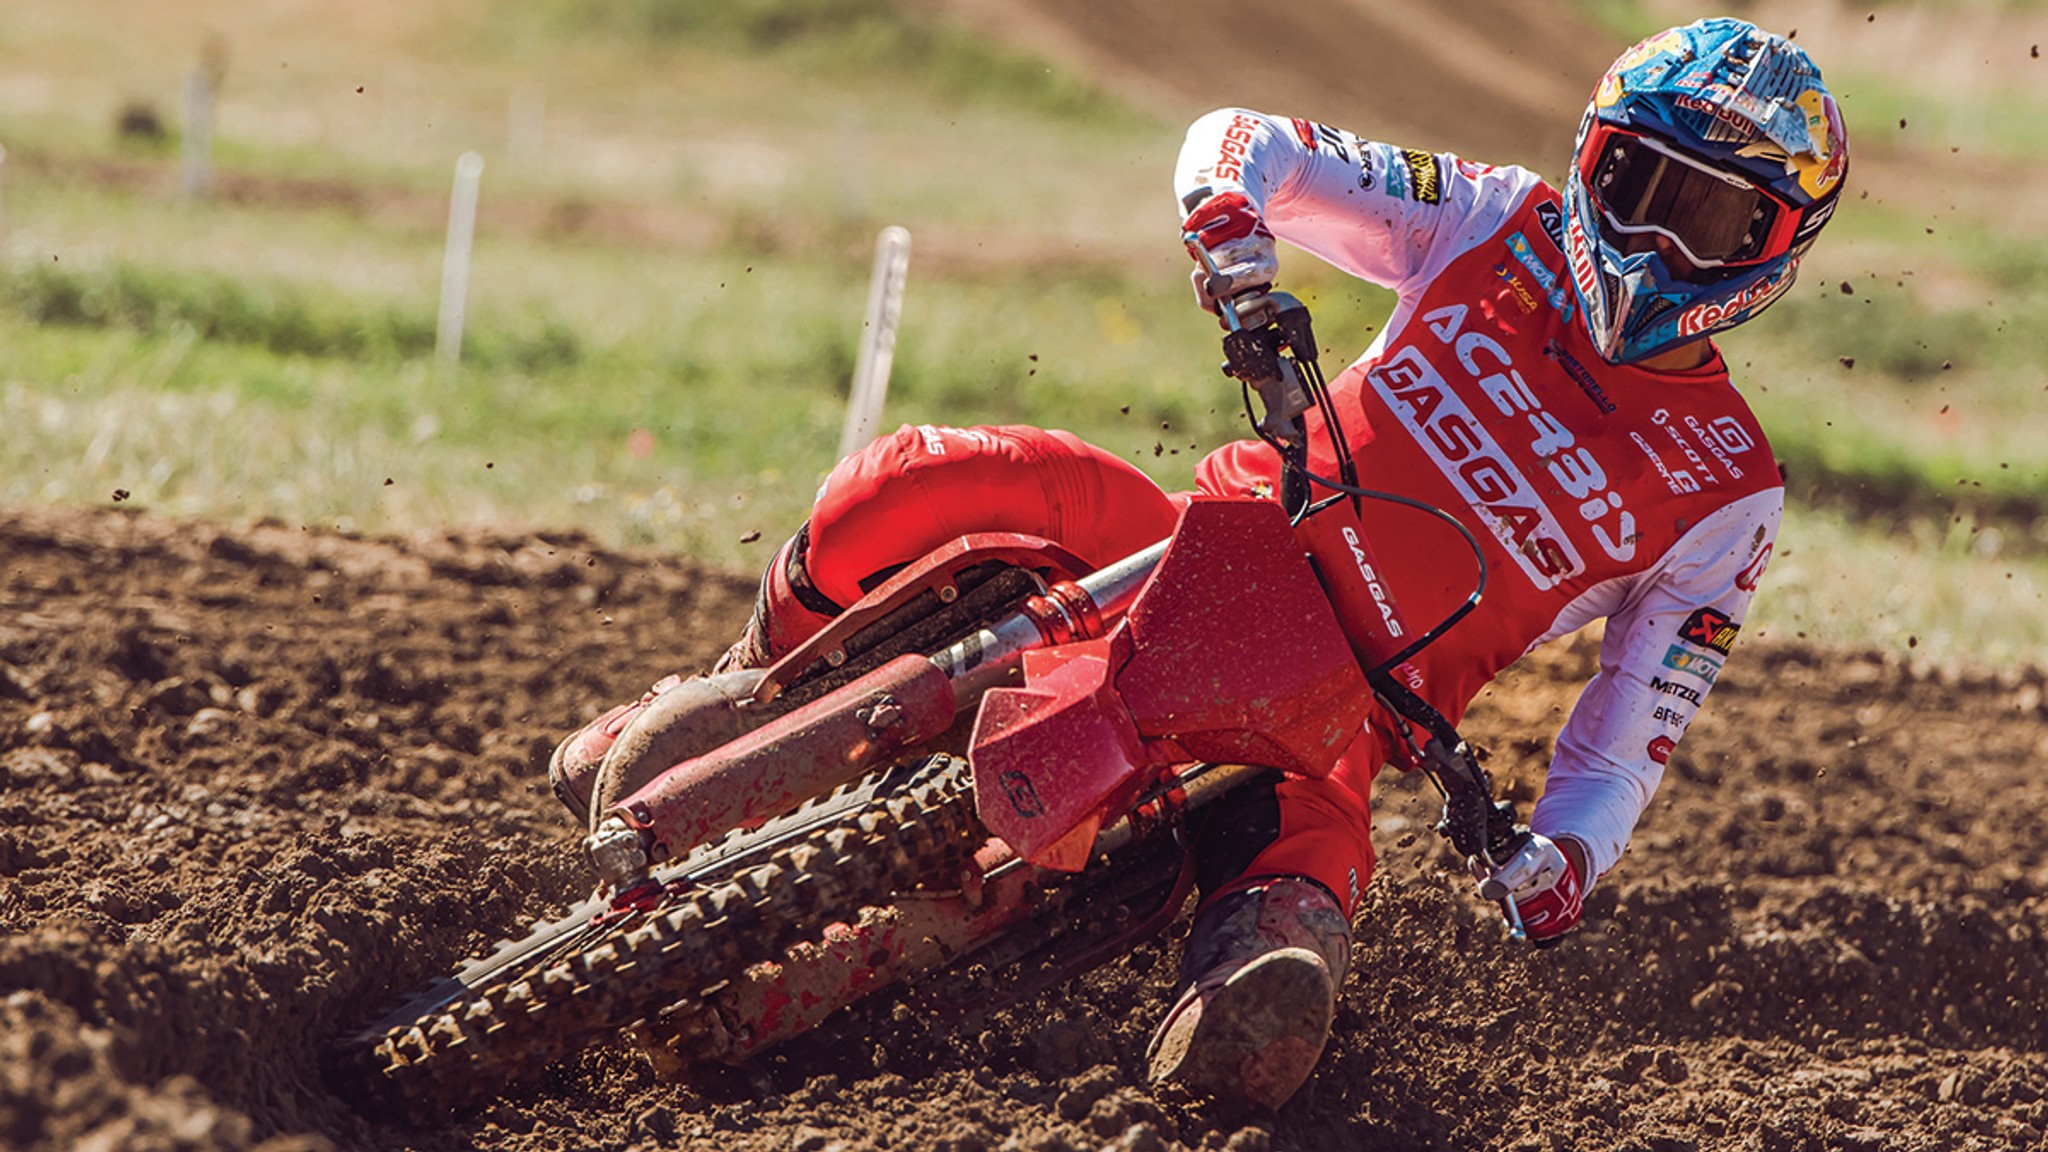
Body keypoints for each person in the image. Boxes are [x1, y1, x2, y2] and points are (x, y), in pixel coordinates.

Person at [549, 17, 1847, 1111]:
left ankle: (1092, 994)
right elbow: (1247, 141)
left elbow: (1630, 738)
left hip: (1343, 722)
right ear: (1590, 160)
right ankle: (754, 684)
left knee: (1272, 1006)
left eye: (1712, 220)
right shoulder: (1496, 222)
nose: (1656, 242)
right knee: (923, 472)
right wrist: (1232, 233)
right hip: (1196, 538)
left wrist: (1567, 857)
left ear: (1772, 251)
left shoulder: (1730, 491)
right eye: (1637, 187)